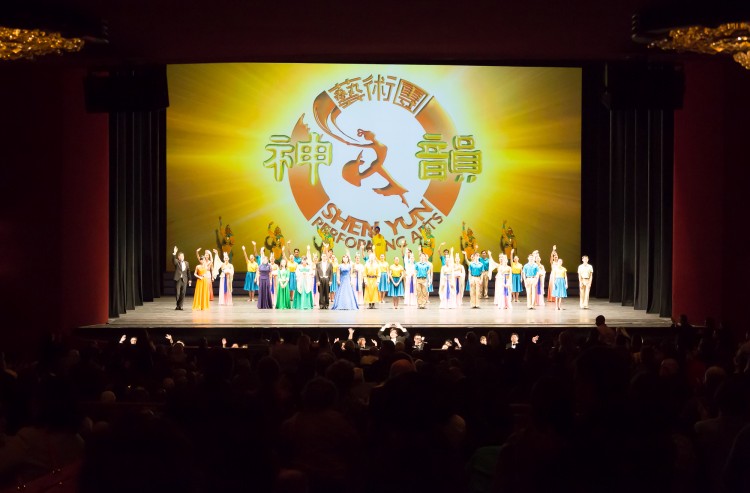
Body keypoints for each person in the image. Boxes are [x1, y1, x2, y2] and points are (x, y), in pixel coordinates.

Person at [172, 246, 193, 310]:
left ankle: (180, 306)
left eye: (183, 256)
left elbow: (188, 271)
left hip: (184, 280)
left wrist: (190, 279)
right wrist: (174, 253)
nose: (182, 257)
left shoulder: (187, 263)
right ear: (178, 257)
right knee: (177, 293)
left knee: (183, 293)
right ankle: (178, 305)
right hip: (178, 279)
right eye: (181, 256)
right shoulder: (177, 262)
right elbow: (173, 259)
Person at [401, 240, 417, 307]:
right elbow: (402, 251)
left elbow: (415, 268)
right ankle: (407, 298)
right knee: (406, 286)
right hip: (406, 273)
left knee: (413, 286)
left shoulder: (413, 260)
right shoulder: (405, 258)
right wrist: (402, 244)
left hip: (412, 274)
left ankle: (412, 299)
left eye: (409, 252)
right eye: (407, 252)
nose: (408, 253)